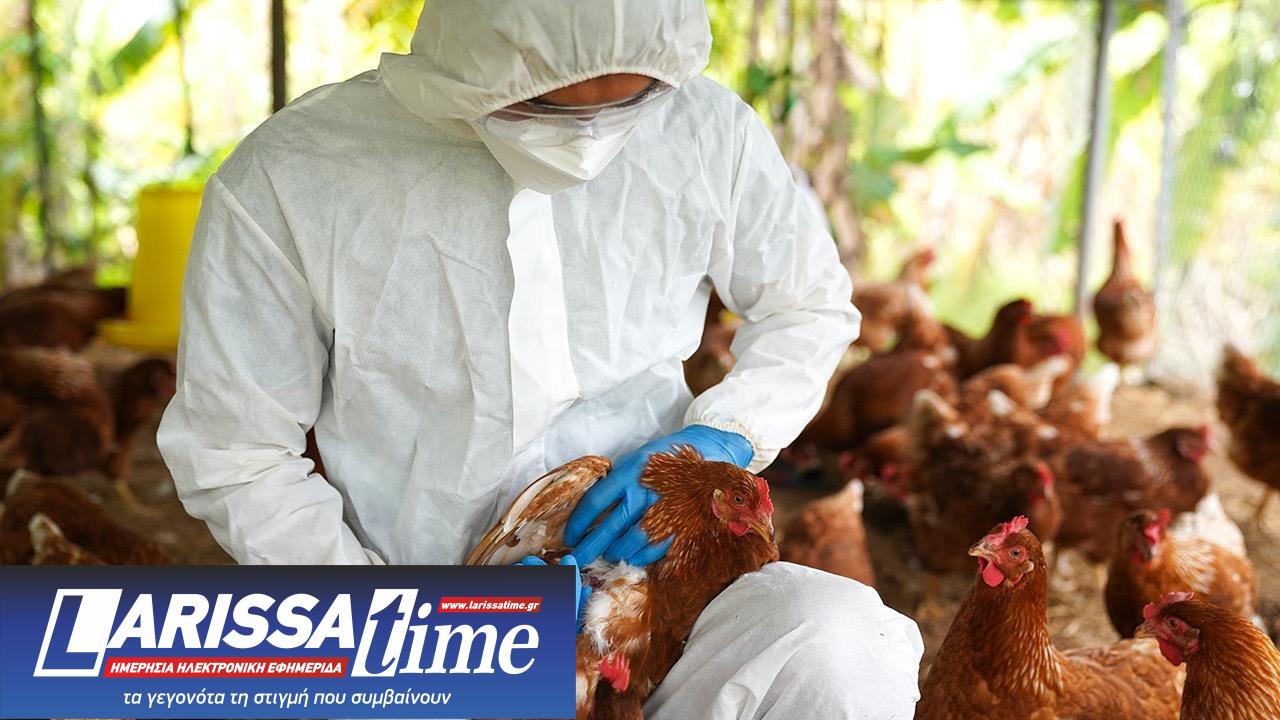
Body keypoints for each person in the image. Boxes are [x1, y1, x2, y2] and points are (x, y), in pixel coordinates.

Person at [157, 0, 923, 716]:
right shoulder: (294, 177)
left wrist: (725, 436)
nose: (587, 142)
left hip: (662, 594)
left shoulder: (708, 134)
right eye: (544, 106)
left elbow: (807, 305)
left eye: (630, 102)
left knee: (836, 643)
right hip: (422, 619)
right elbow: (238, 453)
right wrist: (402, 626)